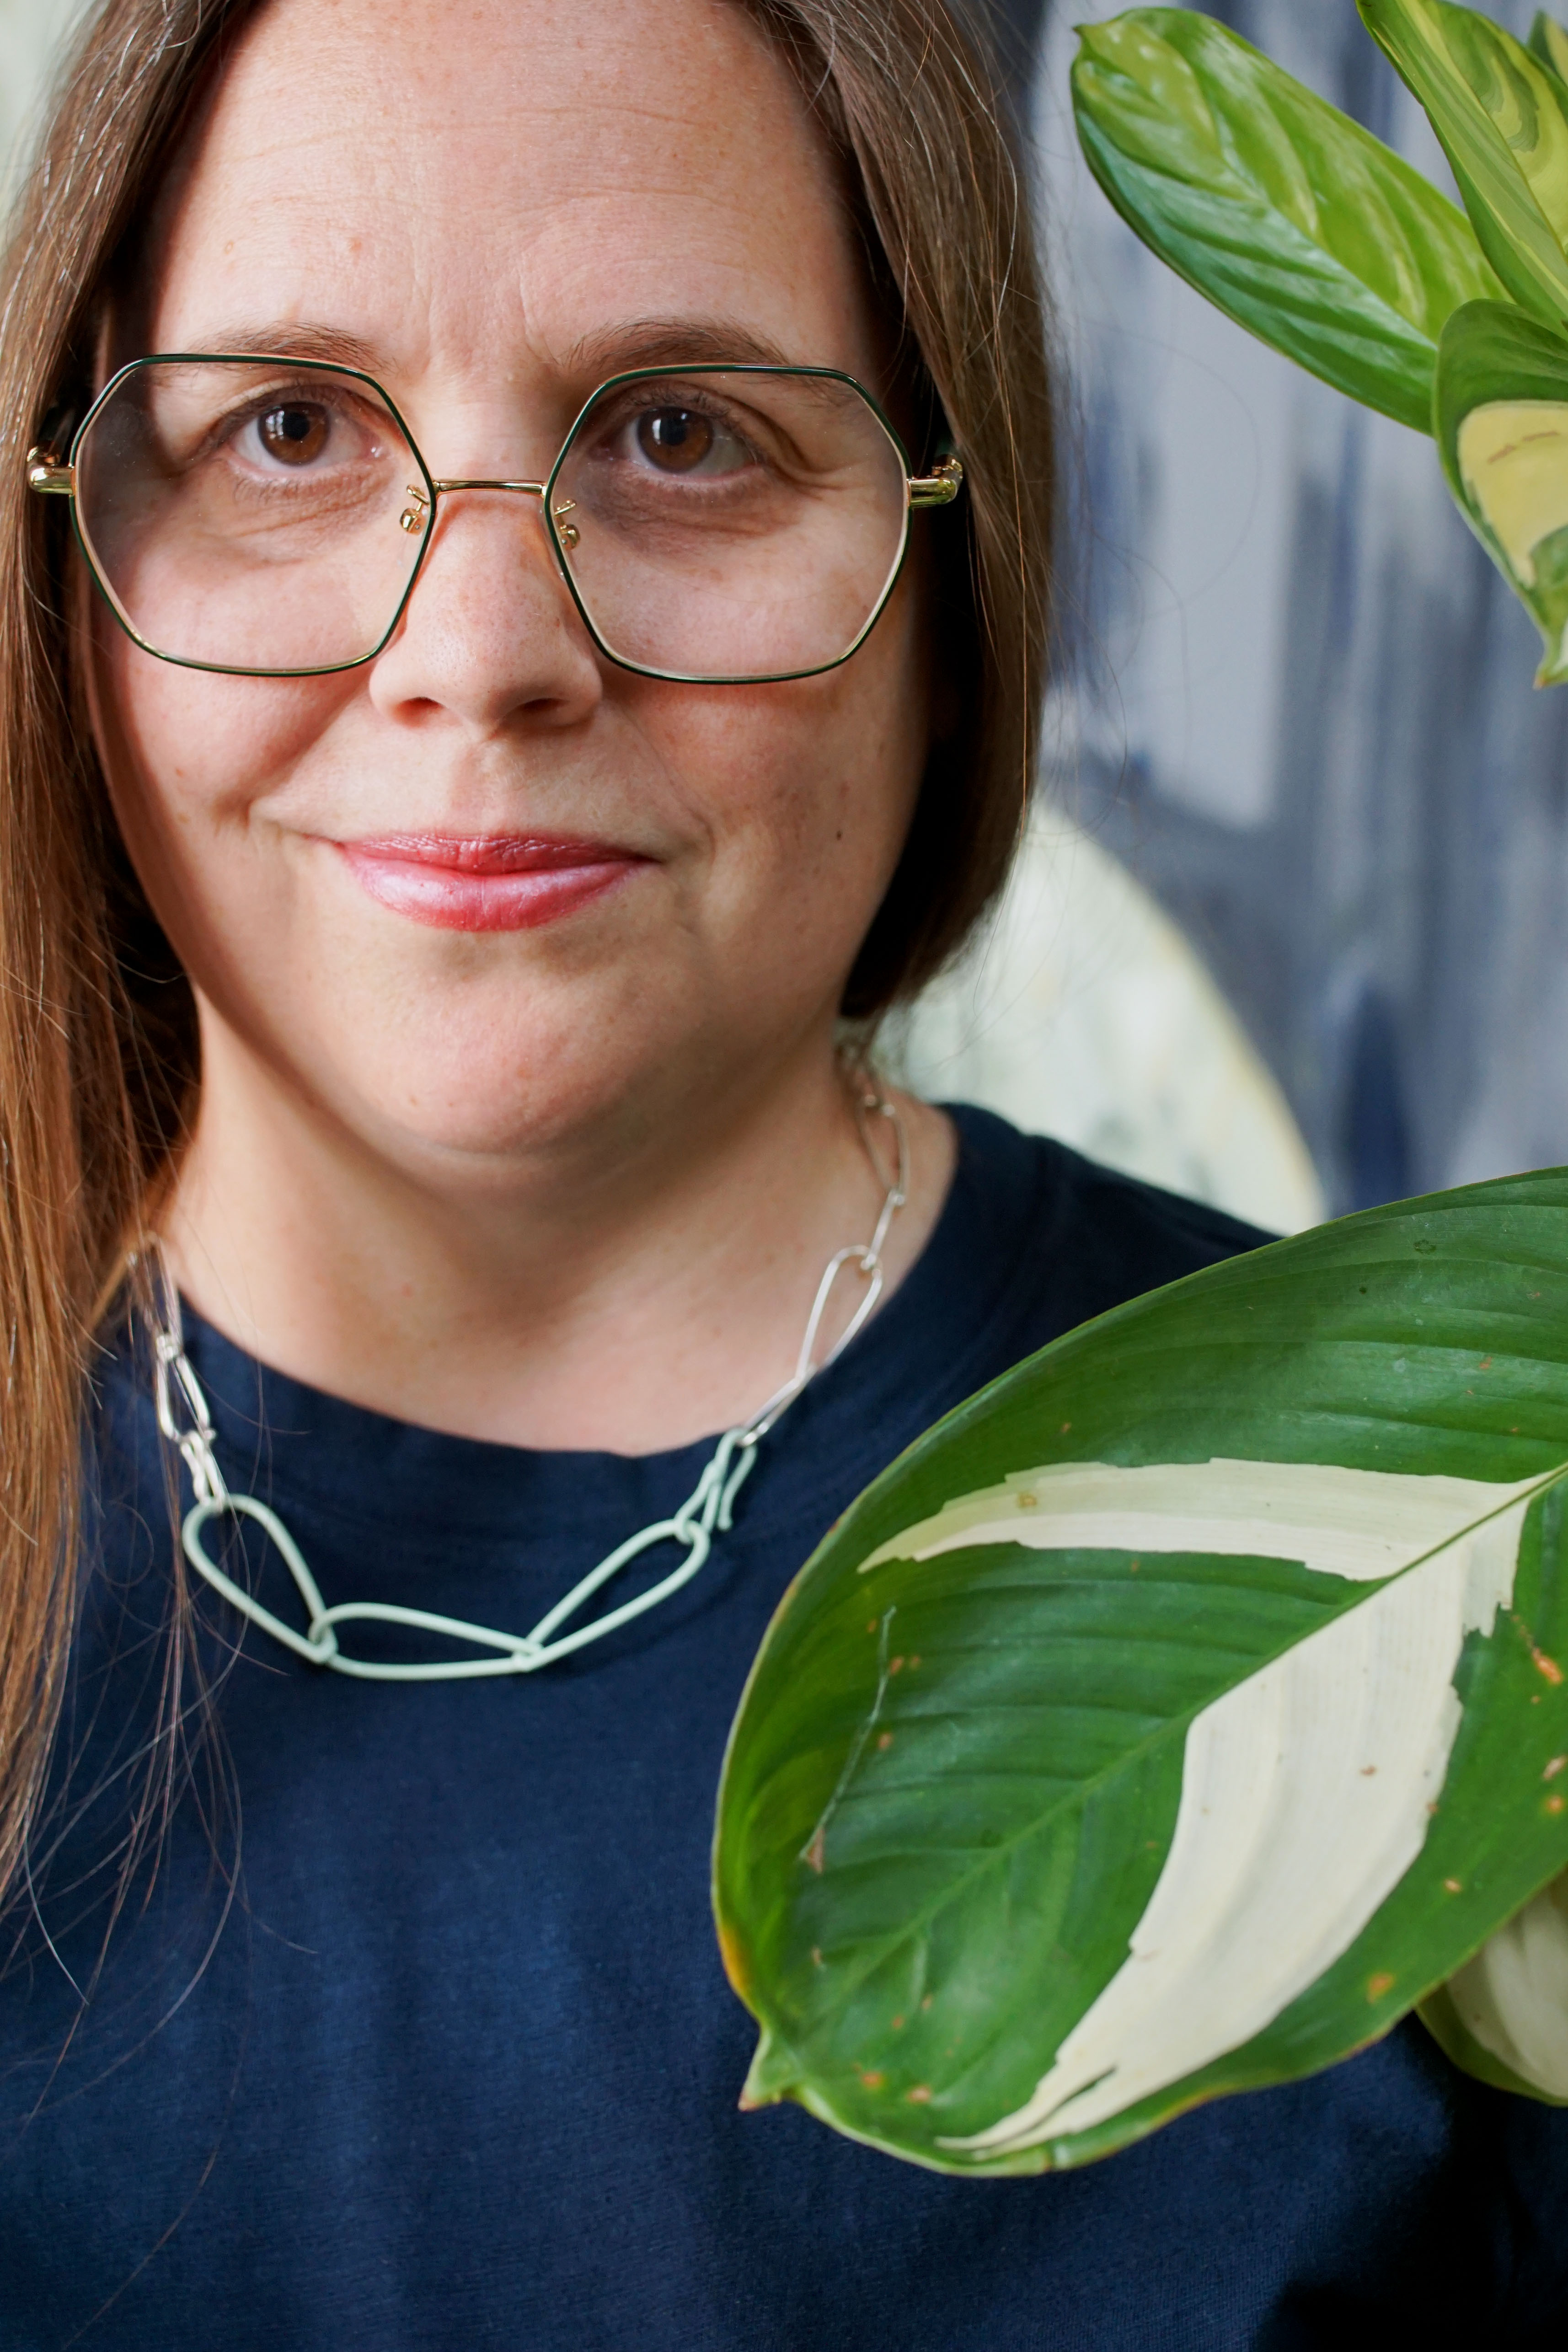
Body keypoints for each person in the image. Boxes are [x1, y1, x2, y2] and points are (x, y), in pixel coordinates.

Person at [0, 0, 1563, 2342]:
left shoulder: (1458, 1580)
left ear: (956, 564)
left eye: (682, 431)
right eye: (288, 428)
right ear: (60, 522)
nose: (481, 649)